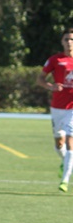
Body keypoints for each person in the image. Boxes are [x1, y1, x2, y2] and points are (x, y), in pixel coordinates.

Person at [38, 27, 73, 191]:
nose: (69, 42)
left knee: (70, 140)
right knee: (59, 143)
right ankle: (65, 162)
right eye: (66, 39)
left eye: (72, 39)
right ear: (62, 41)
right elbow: (40, 79)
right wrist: (50, 86)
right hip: (57, 107)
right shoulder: (55, 59)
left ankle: (65, 180)